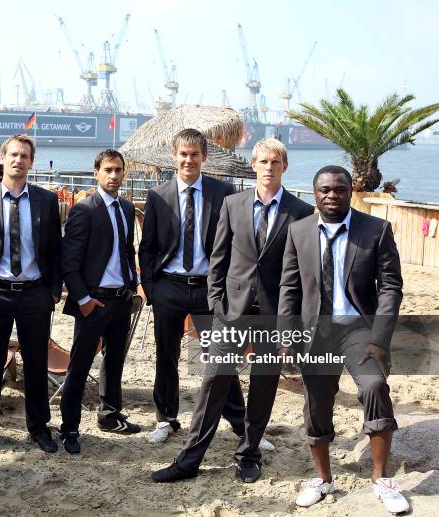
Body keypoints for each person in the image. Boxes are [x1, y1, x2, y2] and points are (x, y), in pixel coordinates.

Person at [151, 137, 314, 483]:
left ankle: (248, 454)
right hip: (231, 312)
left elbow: (302, 272)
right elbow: (218, 261)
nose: (269, 168)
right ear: (253, 165)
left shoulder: (301, 212)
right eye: (263, 162)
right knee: (214, 383)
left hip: (274, 316)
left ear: (284, 167)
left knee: (262, 387)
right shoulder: (233, 204)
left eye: (275, 162)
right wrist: (216, 304)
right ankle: (190, 459)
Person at [278, 165, 408, 513]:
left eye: (339, 189)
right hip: (315, 334)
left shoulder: (376, 230)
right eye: (325, 190)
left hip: (359, 330)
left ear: (350, 192)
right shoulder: (299, 231)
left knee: (374, 387)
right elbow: (289, 288)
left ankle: (381, 479)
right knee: (317, 402)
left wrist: (379, 339)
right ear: (315, 193)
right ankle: (322, 478)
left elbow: (391, 288)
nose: (332, 195)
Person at [138, 128, 237, 444]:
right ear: (174, 155)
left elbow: (234, 243)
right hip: (170, 286)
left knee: (220, 356)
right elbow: (147, 246)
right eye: (183, 154)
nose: (189, 160)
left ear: (204, 157)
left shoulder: (223, 193)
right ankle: (165, 419)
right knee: (166, 356)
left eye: (195, 154)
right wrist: (151, 288)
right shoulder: (158, 196)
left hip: (210, 288)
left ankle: (239, 422)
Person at [0, 134, 62, 456]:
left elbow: (54, 250)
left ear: (30, 162)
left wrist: (52, 291)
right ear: (3, 157)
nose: (18, 160)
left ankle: (38, 427)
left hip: (35, 294)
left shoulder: (47, 201)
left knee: (36, 364)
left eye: (25, 155)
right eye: (13, 154)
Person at [59, 149, 140, 454]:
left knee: (115, 362)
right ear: (96, 173)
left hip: (121, 300)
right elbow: (70, 261)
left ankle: (109, 416)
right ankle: (69, 429)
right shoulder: (85, 210)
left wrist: (133, 285)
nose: (114, 175)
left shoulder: (128, 209)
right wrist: (83, 299)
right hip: (93, 302)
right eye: (108, 170)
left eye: (119, 170)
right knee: (79, 367)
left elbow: (127, 251)